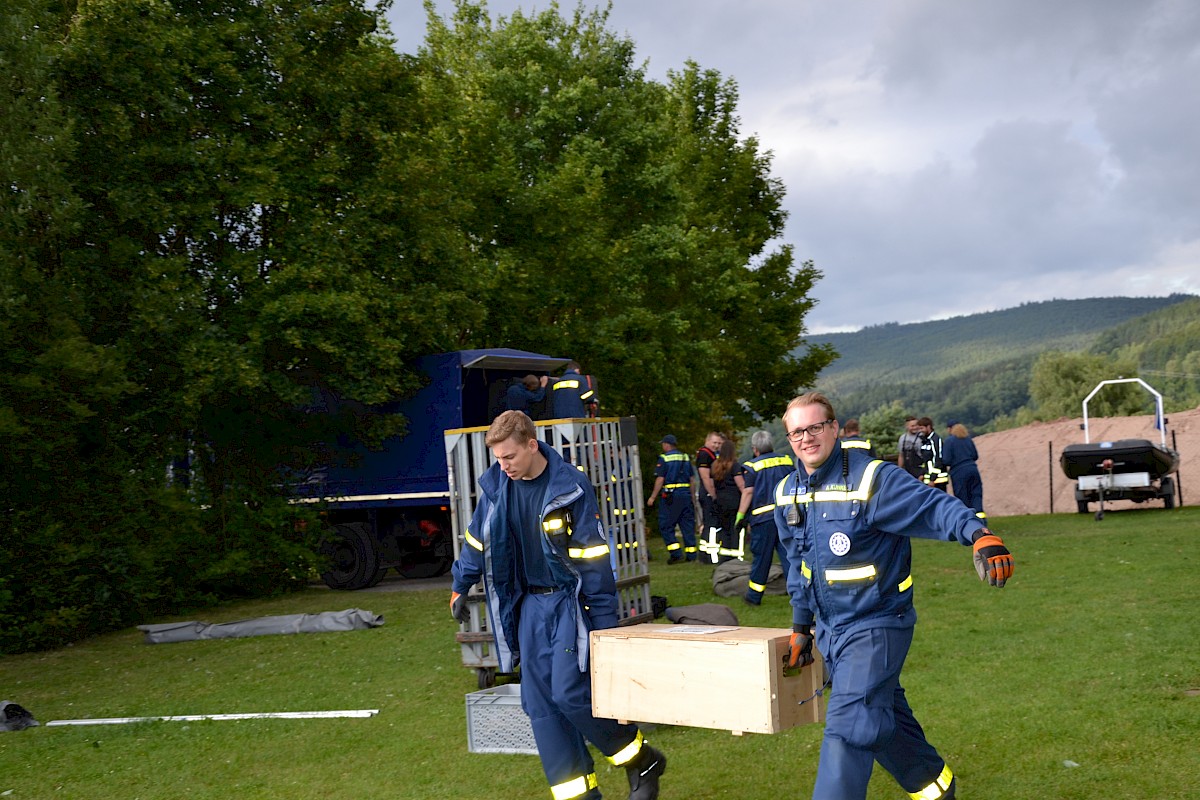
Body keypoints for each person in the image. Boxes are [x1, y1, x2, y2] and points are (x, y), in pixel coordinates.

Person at [773, 393, 1014, 800]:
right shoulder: (787, 492)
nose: (807, 438)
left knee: (850, 725)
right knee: (881, 721)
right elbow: (799, 568)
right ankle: (936, 786)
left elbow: (933, 505)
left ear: (834, 428)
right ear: (789, 438)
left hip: (877, 625)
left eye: (815, 427)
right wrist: (801, 626)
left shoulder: (872, 480)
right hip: (831, 632)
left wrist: (979, 535)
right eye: (797, 431)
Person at [449, 411, 666, 800]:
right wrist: (461, 583)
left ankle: (640, 759)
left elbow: (595, 560)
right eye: (498, 458)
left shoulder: (570, 486)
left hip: (570, 604)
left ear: (532, 445)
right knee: (540, 706)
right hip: (528, 606)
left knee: (569, 693)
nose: (503, 466)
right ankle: (580, 795)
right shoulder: (499, 485)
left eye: (510, 456)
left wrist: (603, 627)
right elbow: (477, 539)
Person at [739, 430, 794, 605]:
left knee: (762, 559)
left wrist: (740, 516)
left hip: (763, 521)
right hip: (786, 516)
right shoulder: (786, 460)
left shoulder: (752, 466)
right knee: (789, 556)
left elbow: (748, 492)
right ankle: (797, 594)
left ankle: (754, 597)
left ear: (755, 449)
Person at [645, 434, 698, 563]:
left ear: (667, 444)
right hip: (685, 495)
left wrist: (652, 497)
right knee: (687, 525)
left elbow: (660, 479)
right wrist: (693, 498)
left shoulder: (664, 458)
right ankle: (691, 555)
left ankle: (676, 553)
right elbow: (692, 480)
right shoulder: (685, 457)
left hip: (671, 496)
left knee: (666, 525)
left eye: (663, 444)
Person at [700, 439, 750, 564]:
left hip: (720, 502)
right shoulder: (735, 466)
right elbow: (741, 485)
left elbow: (711, 485)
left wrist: (715, 498)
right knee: (736, 531)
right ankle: (736, 557)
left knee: (724, 531)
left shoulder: (715, 466)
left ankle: (724, 557)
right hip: (734, 502)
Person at [942, 422, 986, 520]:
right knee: (976, 495)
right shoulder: (968, 439)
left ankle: (968, 521)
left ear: (950, 429)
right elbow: (975, 456)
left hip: (958, 472)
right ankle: (981, 520)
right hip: (973, 469)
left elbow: (946, 460)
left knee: (963, 498)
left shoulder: (949, 441)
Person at [694, 431, 724, 556]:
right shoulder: (704, 454)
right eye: (714, 442)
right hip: (707, 493)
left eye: (719, 443)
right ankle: (707, 553)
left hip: (710, 492)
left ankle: (708, 551)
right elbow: (706, 477)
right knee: (710, 523)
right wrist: (713, 495)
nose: (716, 445)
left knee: (713, 523)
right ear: (707, 441)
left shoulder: (713, 454)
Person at [916, 416, 949, 492]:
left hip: (938, 480)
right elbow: (926, 461)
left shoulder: (935, 440)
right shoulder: (925, 441)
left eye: (922, 428)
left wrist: (932, 479)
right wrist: (922, 474)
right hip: (928, 480)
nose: (921, 431)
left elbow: (938, 460)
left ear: (928, 427)